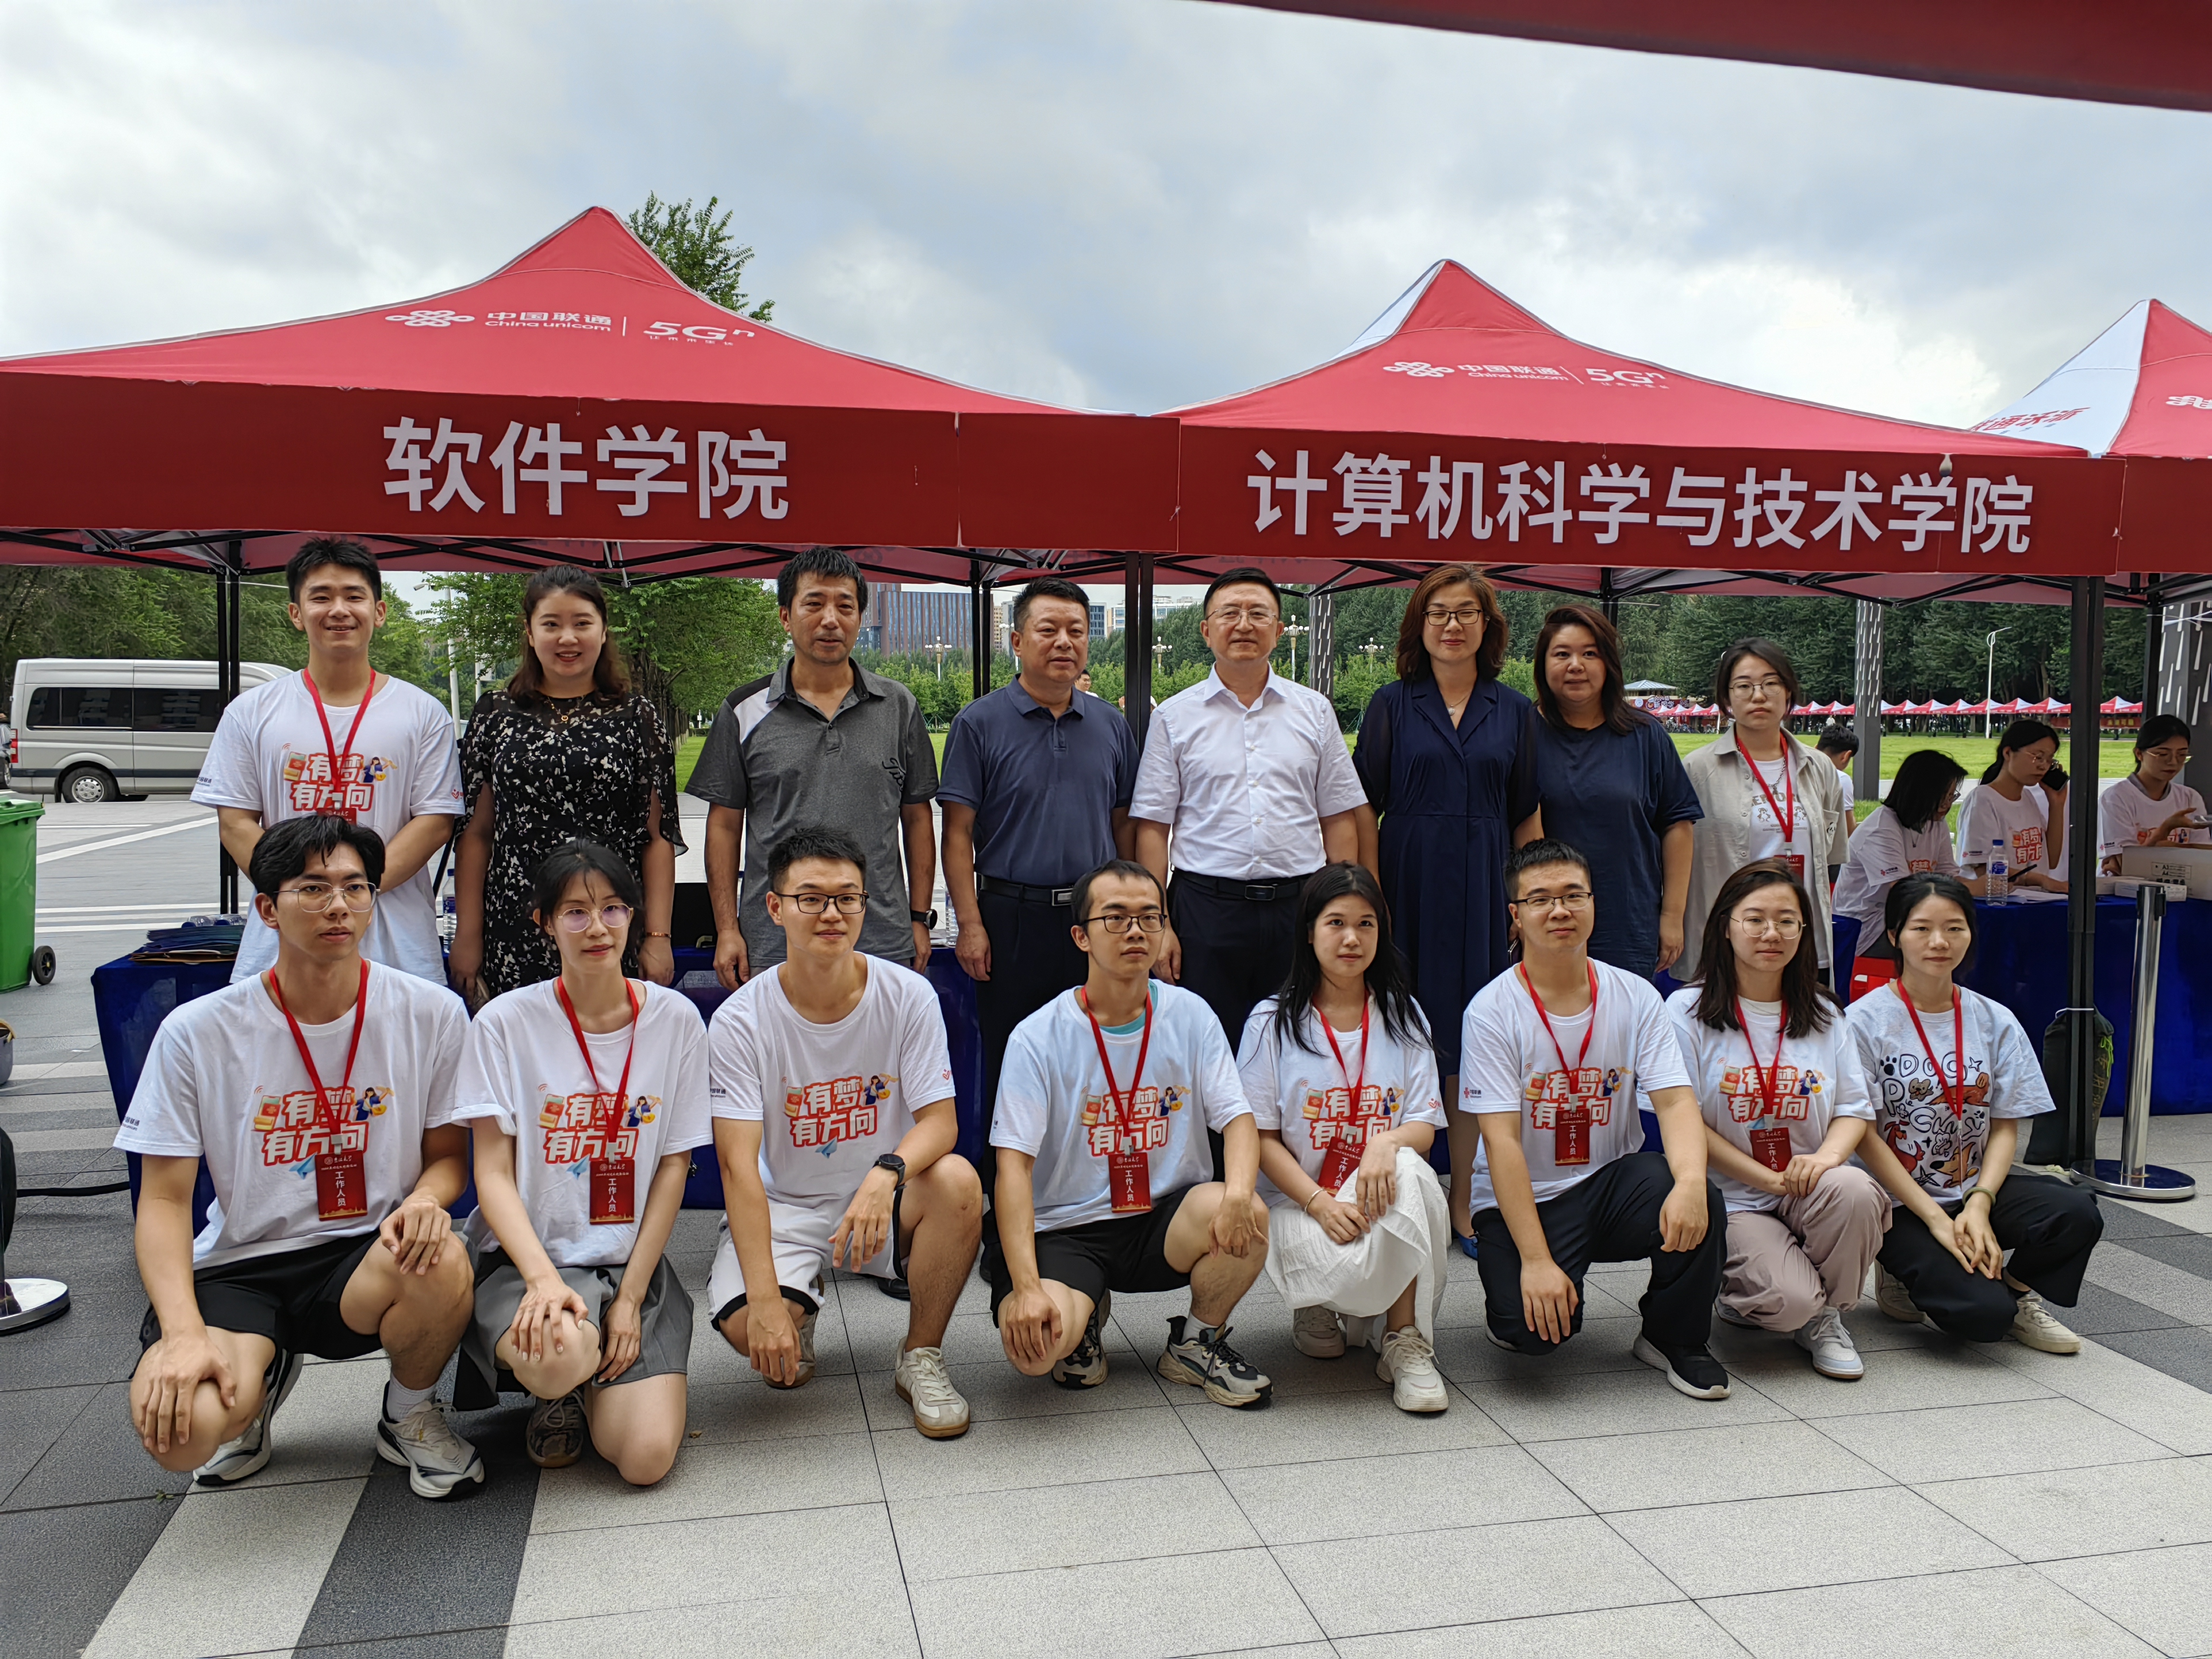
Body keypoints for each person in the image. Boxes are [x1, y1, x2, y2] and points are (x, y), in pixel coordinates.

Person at [117, 815, 484, 1497]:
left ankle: (408, 1414)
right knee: (184, 1435)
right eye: (312, 889)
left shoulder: (430, 1013)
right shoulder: (197, 1033)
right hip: (243, 1265)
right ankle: (254, 1387)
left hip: (365, 1255)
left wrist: (426, 1201)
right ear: (267, 909)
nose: (338, 905)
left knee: (442, 1255)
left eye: (354, 887)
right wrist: (182, 1333)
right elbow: (163, 1199)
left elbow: (446, 1157)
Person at [706, 825, 982, 1438]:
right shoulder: (740, 1021)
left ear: (865, 904)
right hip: (785, 1205)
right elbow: (737, 1168)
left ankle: (921, 1355)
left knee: (960, 1182)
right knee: (753, 1331)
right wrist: (766, 1303)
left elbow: (941, 1123)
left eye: (847, 898)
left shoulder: (907, 995)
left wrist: (886, 1175)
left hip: (882, 1199)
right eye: (810, 898)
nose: (831, 914)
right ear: (775, 907)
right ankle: (795, 1304)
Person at [451, 840, 709, 1483]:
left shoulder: (676, 1021)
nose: (597, 928)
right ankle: (560, 1387)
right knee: (560, 1354)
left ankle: (601, 1367)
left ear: (633, 915)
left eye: (613, 908)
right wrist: (543, 1281)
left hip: (627, 1264)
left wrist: (632, 1298)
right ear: (544, 923)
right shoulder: (505, 1023)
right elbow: (491, 1174)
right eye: (575, 912)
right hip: (529, 1264)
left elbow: (672, 1167)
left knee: (645, 1460)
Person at [984, 859, 1274, 1407]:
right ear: (1081, 937)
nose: (1135, 931)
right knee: (1036, 1351)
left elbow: (1237, 1119)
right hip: (1066, 1229)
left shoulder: (1191, 1015)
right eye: (1115, 918)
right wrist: (1025, 1288)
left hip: (1162, 1219)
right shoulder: (1037, 1037)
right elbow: (1012, 1168)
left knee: (1250, 1213)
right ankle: (1084, 1312)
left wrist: (1239, 1193)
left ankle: (1195, 1343)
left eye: (1149, 917)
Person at [1460, 839, 1731, 1399]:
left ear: (1592, 903)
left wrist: (1687, 1183)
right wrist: (1536, 1261)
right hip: (1526, 1198)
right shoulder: (1491, 1011)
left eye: (1572, 895)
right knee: (1532, 1336)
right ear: (1516, 916)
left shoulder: (1635, 996)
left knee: (1698, 1193)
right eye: (1540, 900)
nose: (1559, 910)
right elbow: (1501, 1142)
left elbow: (1675, 1102)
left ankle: (1673, 1337)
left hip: (1609, 1185)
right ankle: (1514, 1298)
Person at [1355, 565, 1544, 1251]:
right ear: (1420, 625)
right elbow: (1361, 808)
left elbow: (1526, 816)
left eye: (1466, 613)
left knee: (1471, 1047)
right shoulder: (1391, 704)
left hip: (1485, 890)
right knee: (1401, 1035)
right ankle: (1387, 1189)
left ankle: (1463, 1196)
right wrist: (1371, 896)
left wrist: (1527, 900)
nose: (1452, 625)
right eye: (1438, 613)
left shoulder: (1514, 710)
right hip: (1406, 885)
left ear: (1487, 627)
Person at [1846, 873, 2103, 1351]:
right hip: (1898, 1202)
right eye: (1921, 929)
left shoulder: (1994, 1019)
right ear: (1894, 935)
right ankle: (1900, 1269)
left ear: (1971, 933)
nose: (1939, 942)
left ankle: (2018, 1294)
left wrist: (1980, 1203)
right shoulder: (1862, 1022)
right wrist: (1936, 1219)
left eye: (1954, 928)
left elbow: (2005, 1126)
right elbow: (1864, 1136)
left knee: (2076, 1212)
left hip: (1972, 1186)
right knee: (1982, 1320)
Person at [194, 537, 464, 986]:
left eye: (354, 596)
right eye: (321, 597)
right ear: (296, 614)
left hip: (397, 944)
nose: (339, 610)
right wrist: (304, 894)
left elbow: (435, 822)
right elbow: (236, 823)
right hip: (283, 942)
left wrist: (353, 891)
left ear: (379, 612)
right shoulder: (251, 712)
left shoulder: (422, 713)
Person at [1237, 864, 1452, 1412]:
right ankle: (1315, 1301)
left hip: (1376, 1197)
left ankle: (1403, 1341)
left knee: (1411, 1172)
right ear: (1309, 932)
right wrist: (1318, 1202)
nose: (1352, 938)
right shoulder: (1270, 1022)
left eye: (1366, 924)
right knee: (1326, 1330)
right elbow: (1259, 1138)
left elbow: (1424, 1125)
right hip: (1299, 1206)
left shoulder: (1404, 1015)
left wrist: (1384, 1144)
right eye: (1336, 923)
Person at [941, 576, 1138, 1165]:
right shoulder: (979, 723)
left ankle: (1087, 1190)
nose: (1064, 642)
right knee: (1012, 1060)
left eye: (1076, 631)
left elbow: (1125, 827)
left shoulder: (1111, 725)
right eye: (1048, 629)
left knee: (1098, 1057)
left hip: (1096, 922)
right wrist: (970, 924)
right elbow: (957, 835)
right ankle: (1006, 1199)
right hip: (1011, 918)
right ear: (1017, 640)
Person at [1129, 568, 1368, 1050]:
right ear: (1206, 630)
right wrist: (1160, 924)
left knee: (1299, 1047)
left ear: (1279, 631)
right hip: (1205, 911)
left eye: (1258, 614)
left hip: (1298, 909)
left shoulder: (1314, 711)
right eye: (1230, 613)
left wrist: (1343, 912)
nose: (1244, 625)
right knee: (1206, 1050)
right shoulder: (1173, 717)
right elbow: (1153, 828)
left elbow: (1339, 817)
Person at [1665, 862, 1886, 1380]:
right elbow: (1685, 1119)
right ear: (1725, 926)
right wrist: (1766, 1179)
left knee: (1855, 1189)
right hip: (1736, 1197)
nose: (1772, 933)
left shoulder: (1826, 1013)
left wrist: (1825, 1161)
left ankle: (1827, 1318)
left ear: (1804, 931)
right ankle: (1752, 1295)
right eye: (1755, 919)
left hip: (1810, 1186)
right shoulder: (1687, 1011)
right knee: (1787, 1303)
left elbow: (1854, 1109)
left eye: (1787, 921)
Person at [691, 549, 939, 989]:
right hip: (775, 941)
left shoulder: (899, 706)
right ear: (786, 617)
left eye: (845, 606)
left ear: (860, 618)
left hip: (881, 937)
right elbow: (725, 827)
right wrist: (727, 929)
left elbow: (917, 818)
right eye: (814, 604)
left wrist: (919, 918)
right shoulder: (744, 710)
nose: (830, 620)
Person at [450, 565, 683, 1003]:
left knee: (608, 1038)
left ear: (604, 630)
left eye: (582, 623)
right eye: (551, 625)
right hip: (515, 922)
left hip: (609, 923)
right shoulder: (495, 714)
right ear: (530, 632)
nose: (568, 639)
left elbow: (657, 838)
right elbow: (476, 834)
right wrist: (469, 933)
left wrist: (658, 936)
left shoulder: (637, 717)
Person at [1529, 603, 1700, 977]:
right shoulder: (1522, 733)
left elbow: (1678, 825)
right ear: (1543, 665)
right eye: (1562, 654)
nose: (1576, 665)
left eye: (1590, 654)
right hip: (1546, 920)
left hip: (1627, 919)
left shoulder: (1644, 735)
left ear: (1609, 663)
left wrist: (1672, 915)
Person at [1681, 639, 1850, 983]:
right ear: (1727, 699)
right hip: (1730, 941)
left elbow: (1830, 854)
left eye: (1771, 683)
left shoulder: (1820, 767)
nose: (1758, 696)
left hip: (1800, 940)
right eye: (1744, 686)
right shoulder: (1697, 770)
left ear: (1788, 693)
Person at [1832, 749, 1970, 943]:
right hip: (1867, 928)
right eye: (1944, 797)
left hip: (1910, 918)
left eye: (1952, 797)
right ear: (1922, 793)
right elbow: (1903, 892)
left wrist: (1989, 885)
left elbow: (1950, 877)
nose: (1948, 805)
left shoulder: (1935, 823)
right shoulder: (1881, 829)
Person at [1957, 719, 2067, 895]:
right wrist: (2041, 881)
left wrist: (2057, 804)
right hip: (1999, 902)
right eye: (2038, 757)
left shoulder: (2028, 798)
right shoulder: (1983, 799)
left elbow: (2051, 861)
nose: (2043, 766)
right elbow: (1985, 871)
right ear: (2008, 753)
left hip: (2033, 900)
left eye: (2049, 760)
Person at [2100, 714, 2208, 870]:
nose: (2173, 762)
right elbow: (2123, 865)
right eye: (2162, 754)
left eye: (2182, 755)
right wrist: (2165, 831)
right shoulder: (2117, 798)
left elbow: (2204, 856)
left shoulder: (2190, 797)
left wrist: (2167, 846)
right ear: (2139, 754)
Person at [1816, 725, 1860, 817]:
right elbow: (1848, 824)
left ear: (1816, 748)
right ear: (1845, 756)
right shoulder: (1841, 779)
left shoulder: (1796, 770)